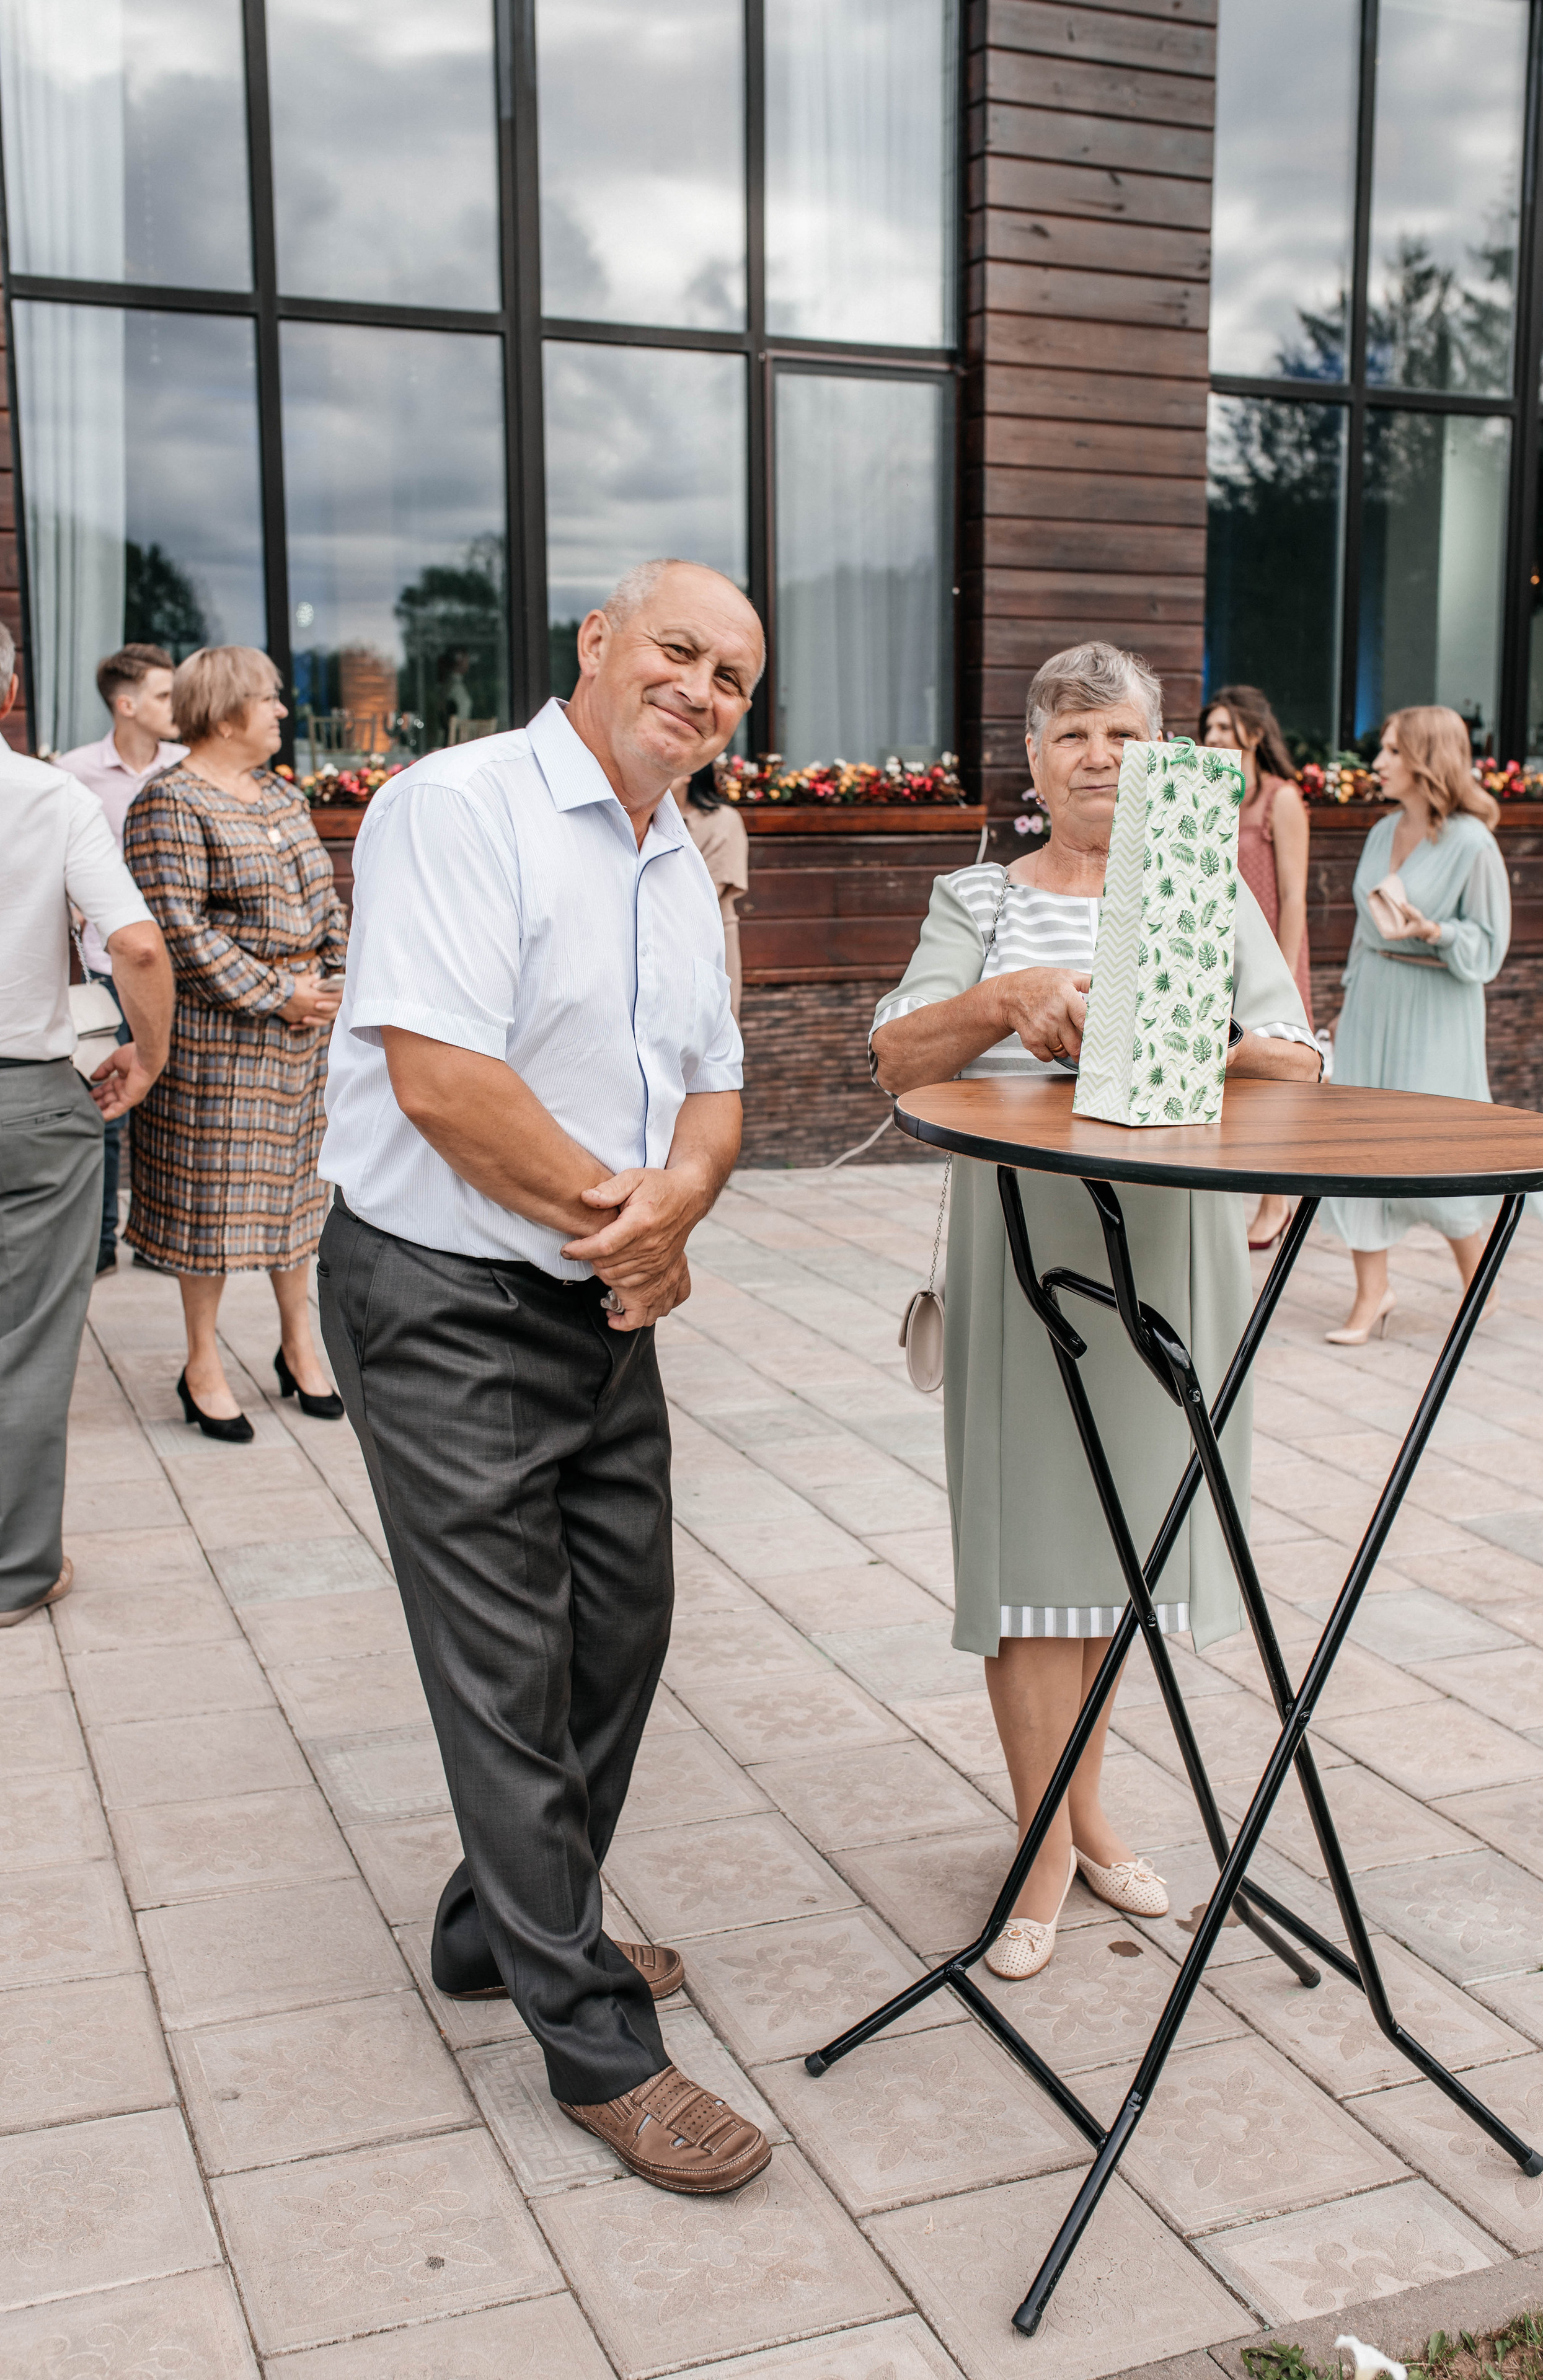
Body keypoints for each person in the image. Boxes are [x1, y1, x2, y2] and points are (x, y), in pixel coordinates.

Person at [317, 558, 770, 2194]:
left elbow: (713, 1092)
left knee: (619, 1634)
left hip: (594, 1303)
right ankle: (596, 2043)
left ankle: (493, 1928)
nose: (704, 691)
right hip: (443, 1297)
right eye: (679, 649)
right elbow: (442, 1081)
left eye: (732, 676)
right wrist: (629, 1233)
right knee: (507, 1671)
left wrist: (678, 1207)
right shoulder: (459, 805)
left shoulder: (673, 855)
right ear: (597, 642)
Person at [870, 643, 1320, 1980]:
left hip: (1170, 1257)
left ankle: (1083, 1816)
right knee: (1029, 1565)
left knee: (1117, 1561)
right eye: (1070, 736)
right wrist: (1010, 1002)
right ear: (1031, 760)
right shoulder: (977, 899)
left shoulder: (1198, 893)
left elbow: (1295, 1054)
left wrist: (1166, 1023)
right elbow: (893, 1048)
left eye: (1121, 736)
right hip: (1020, 1253)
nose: (1096, 759)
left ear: (1159, 755)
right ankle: (1042, 1847)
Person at [122, 646, 347, 1441]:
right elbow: (179, 931)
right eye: (270, 698)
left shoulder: (281, 795)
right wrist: (280, 993)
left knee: (299, 1199)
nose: (283, 710)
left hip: (304, 1036)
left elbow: (327, 898)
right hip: (219, 1040)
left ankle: (298, 1347)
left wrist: (332, 983)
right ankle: (201, 1363)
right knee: (210, 1206)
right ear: (223, 713)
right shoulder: (168, 803)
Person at [0, 620, 174, 1623]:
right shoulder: (50, 795)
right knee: (24, 1342)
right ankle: (17, 1573)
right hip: (27, 1096)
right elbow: (138, 949)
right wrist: (147, 1056)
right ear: (12, 692)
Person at [1320, 706, 1514, 1344]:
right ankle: (1371, 1294)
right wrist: (1348, 999)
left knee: (1432, 1146)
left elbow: (1488, 948)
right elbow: (1363, 924)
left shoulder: (1472, 844)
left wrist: (1434, 930)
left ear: (1427, 761)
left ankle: (1476, 1286)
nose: (1376, 763)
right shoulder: (1381, 831)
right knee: (1357, 1147)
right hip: (1374, 993)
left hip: (1437, 1003)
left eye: (1391, 752)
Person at [58, 643, 187, 1276]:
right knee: (106, 1099)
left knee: (173, 1103)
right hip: (106, 968)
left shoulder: (187, 769)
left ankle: (164, 1244)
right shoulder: (73, 774)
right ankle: (102, 1246)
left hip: (178, 968)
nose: (177, 706)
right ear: (126, 703)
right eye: (165, 695)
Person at [1201, 684, 1314, 1252]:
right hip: (1221, 953)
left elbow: (1294, 896)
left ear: (1254, 730)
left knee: (1275, 1080)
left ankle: (1276, 1203)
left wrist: (1287, 975)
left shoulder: (1281, 798)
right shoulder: (1212, 794)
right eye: (1210, 728)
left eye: (1224, 727)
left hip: (1274, 951)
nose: (1214, 737)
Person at [681, 762, 749, 1018]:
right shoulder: (647, 816)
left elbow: (709, 891)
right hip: (648, 941)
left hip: (709, 939)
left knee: (717, 1025)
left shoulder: (723, 820)